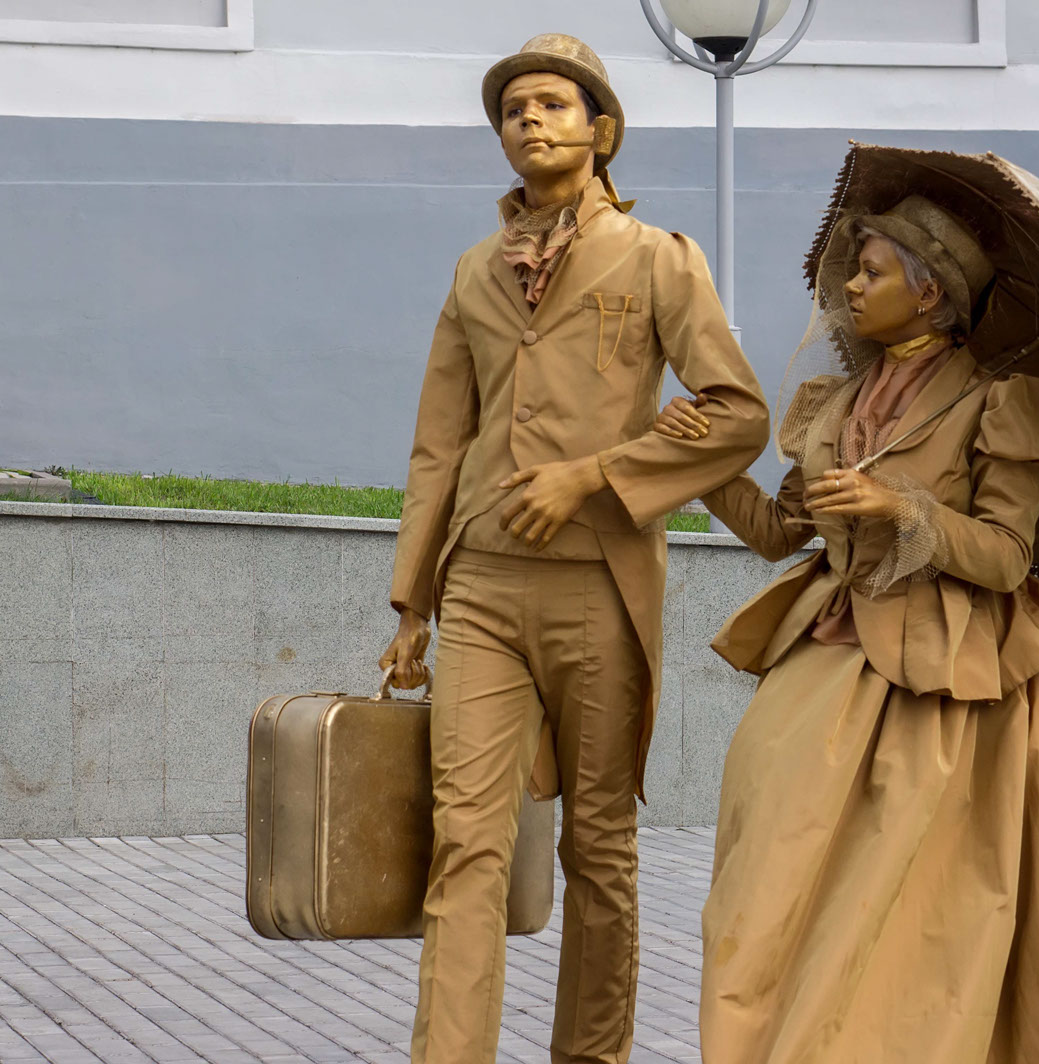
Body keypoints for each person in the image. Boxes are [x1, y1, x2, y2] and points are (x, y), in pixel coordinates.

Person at [656, 195, 1039, 1062]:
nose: (849, 287)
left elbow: (1006, 557)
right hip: (820, 671)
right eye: (854, 271)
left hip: (943, 693)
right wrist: (697, 458)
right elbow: (778, 531)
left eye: (871, 272)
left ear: (929, 295)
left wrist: (902, 508)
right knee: (760, 893)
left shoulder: (1002, 404)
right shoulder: (835, 402)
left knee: (916, 920)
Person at [376, 33, 770, 1064]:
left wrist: (593, 474)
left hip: (601, 584)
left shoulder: (658, 258)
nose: (529, 120)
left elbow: (737, 414)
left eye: (552, 103)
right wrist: (412, 603)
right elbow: (438, 444)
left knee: (598, 844)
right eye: (513, 109)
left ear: (601, 130)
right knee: (465, 841)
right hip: (480, 587)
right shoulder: (473, 272)